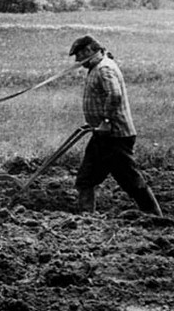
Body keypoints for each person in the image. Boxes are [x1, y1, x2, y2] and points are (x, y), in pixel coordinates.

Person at [69, 35, 163, 216]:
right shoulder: (98, 67)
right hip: (103, 135)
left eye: (79, 55)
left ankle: (154, 216)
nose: (77, 61)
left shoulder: (104, 68)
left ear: (89, 51)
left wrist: (105, 121)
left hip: (115, 136)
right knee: (85, 178)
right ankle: (86, 218)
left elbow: (115, 95)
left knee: (130, 179)